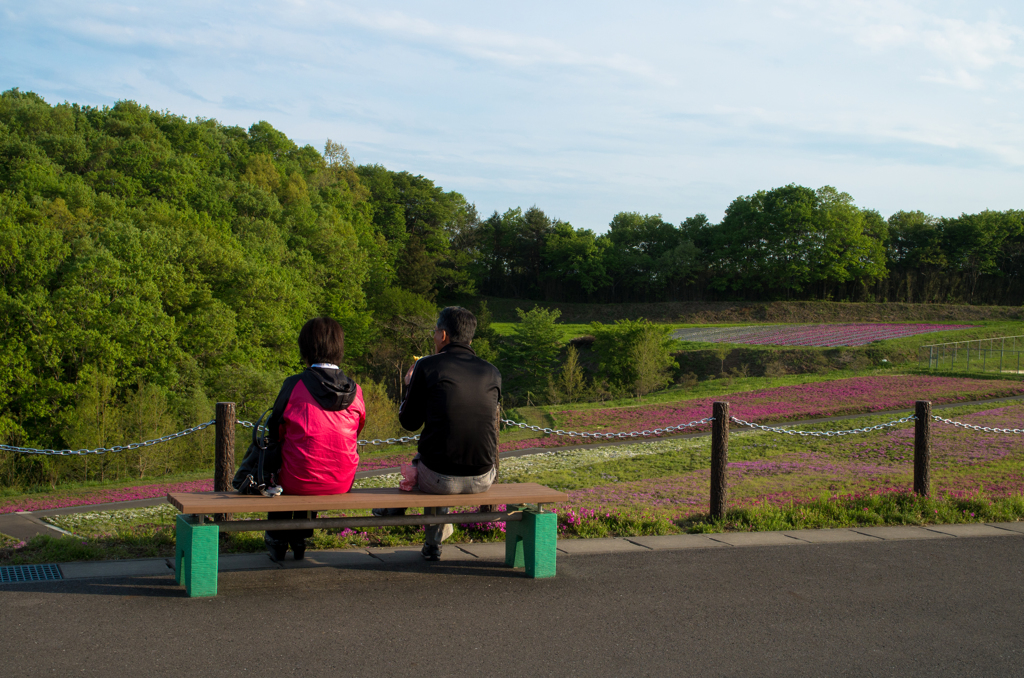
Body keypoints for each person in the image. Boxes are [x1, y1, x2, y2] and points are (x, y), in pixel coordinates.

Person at [383, 306, 502, 561]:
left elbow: (409, 422)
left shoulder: (427, 366)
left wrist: (409, 386)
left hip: (439, 479)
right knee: (442, 447)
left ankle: (422, 530)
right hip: (484, 476)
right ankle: (432, 542)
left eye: (436, 331)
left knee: (431, 458)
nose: (434, 336)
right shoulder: (492, 371)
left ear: (444, 335)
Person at [263, 316, 366, 562]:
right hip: (341, 480)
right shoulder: (355, 390)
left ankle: (277, 539)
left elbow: (275, 432)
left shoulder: (294, 385)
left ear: (305, 348)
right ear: (339, 348)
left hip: (296, 480)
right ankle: (300, 537)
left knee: (287, 461)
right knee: (314, 459)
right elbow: (357, 430)